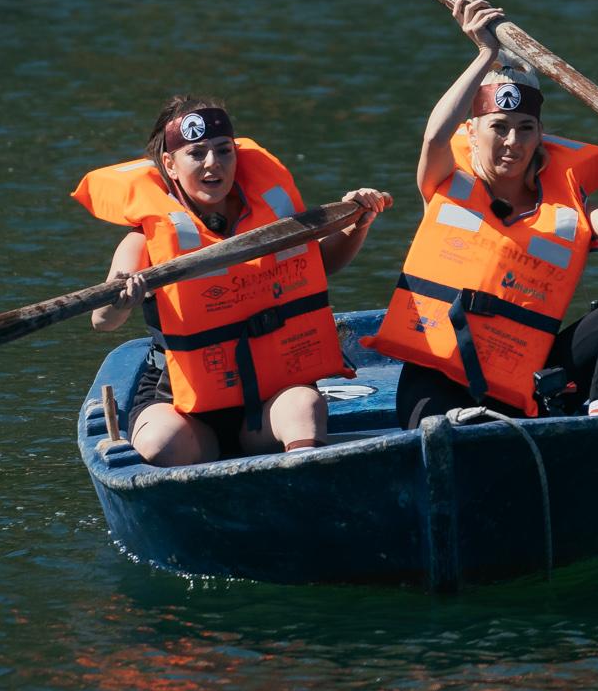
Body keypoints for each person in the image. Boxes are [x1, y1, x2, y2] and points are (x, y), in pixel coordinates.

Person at [364, 0, 598, 425]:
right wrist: (485, 55)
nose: (512, 142)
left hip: (522, 376)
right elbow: (433, 138)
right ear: (473, 130)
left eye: (525, 129)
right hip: (439, 377)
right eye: (498, 128)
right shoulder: (445, 181)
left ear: (540, 135)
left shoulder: (563, 206)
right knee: (459, 432)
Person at [73, 96, 391, 466]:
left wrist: (356, 225)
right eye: (196, 154)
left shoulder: (273, 217)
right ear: (170, 166)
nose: (213, 164)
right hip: (181, 398)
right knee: (162, 443)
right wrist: (121, 300)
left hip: (267, 396)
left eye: (224, 151)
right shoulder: (144, 238)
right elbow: (102, 321)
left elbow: (322, 263)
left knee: (305, 404)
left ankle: (303, 479)